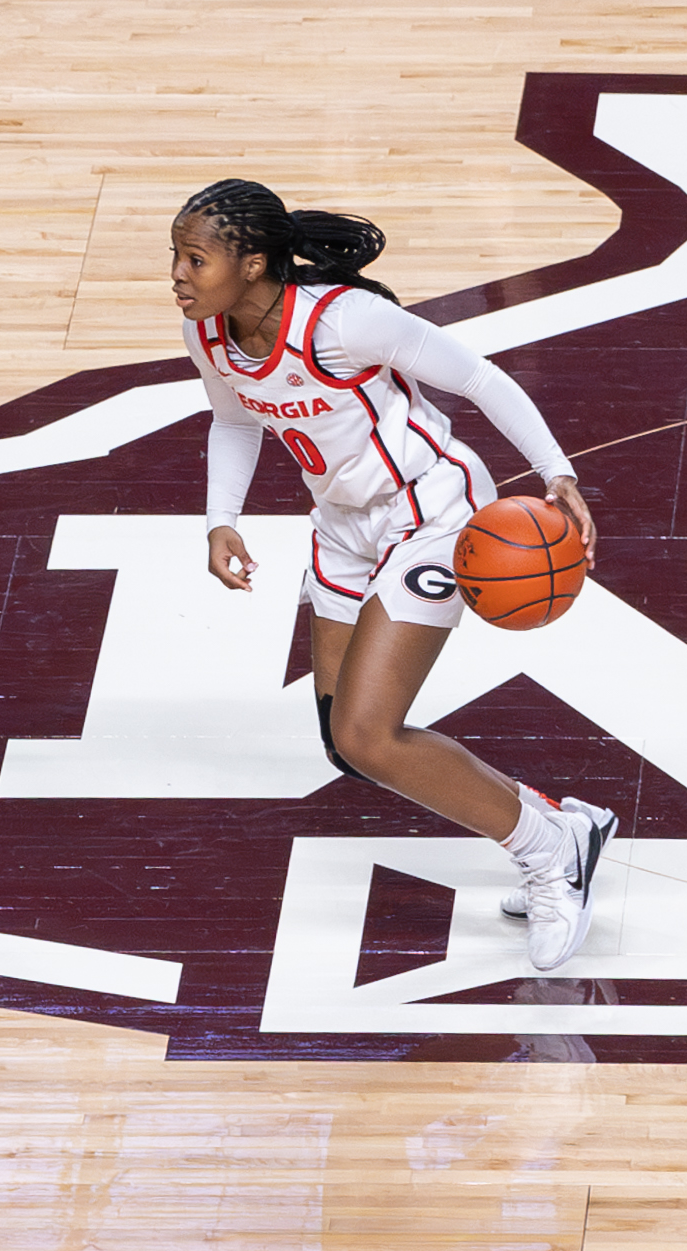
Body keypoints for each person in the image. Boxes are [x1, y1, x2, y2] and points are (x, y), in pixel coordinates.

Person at [169, 178, 615, 972]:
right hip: (343, 529)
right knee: (346, 744)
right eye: (175, 256)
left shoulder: (344, 321)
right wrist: (220, 518)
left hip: (433, 514)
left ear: (255, 263)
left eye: (194, 258)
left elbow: (478, 378)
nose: (176, 273)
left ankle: (550, 854)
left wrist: (557, 473)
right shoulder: (209, 333)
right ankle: (559, 822)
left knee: (369, 733)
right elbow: (234, 419)